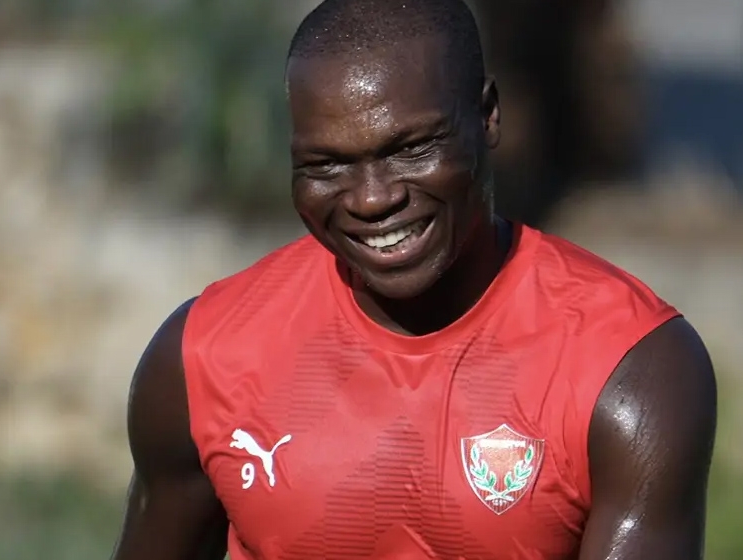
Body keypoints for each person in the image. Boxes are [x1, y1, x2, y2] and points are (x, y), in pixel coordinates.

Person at [109, 0, 717, 558]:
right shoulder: (203, 360)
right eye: (326, 165)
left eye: (410, 150)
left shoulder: (626, 369)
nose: (372, 199)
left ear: (488, 116)